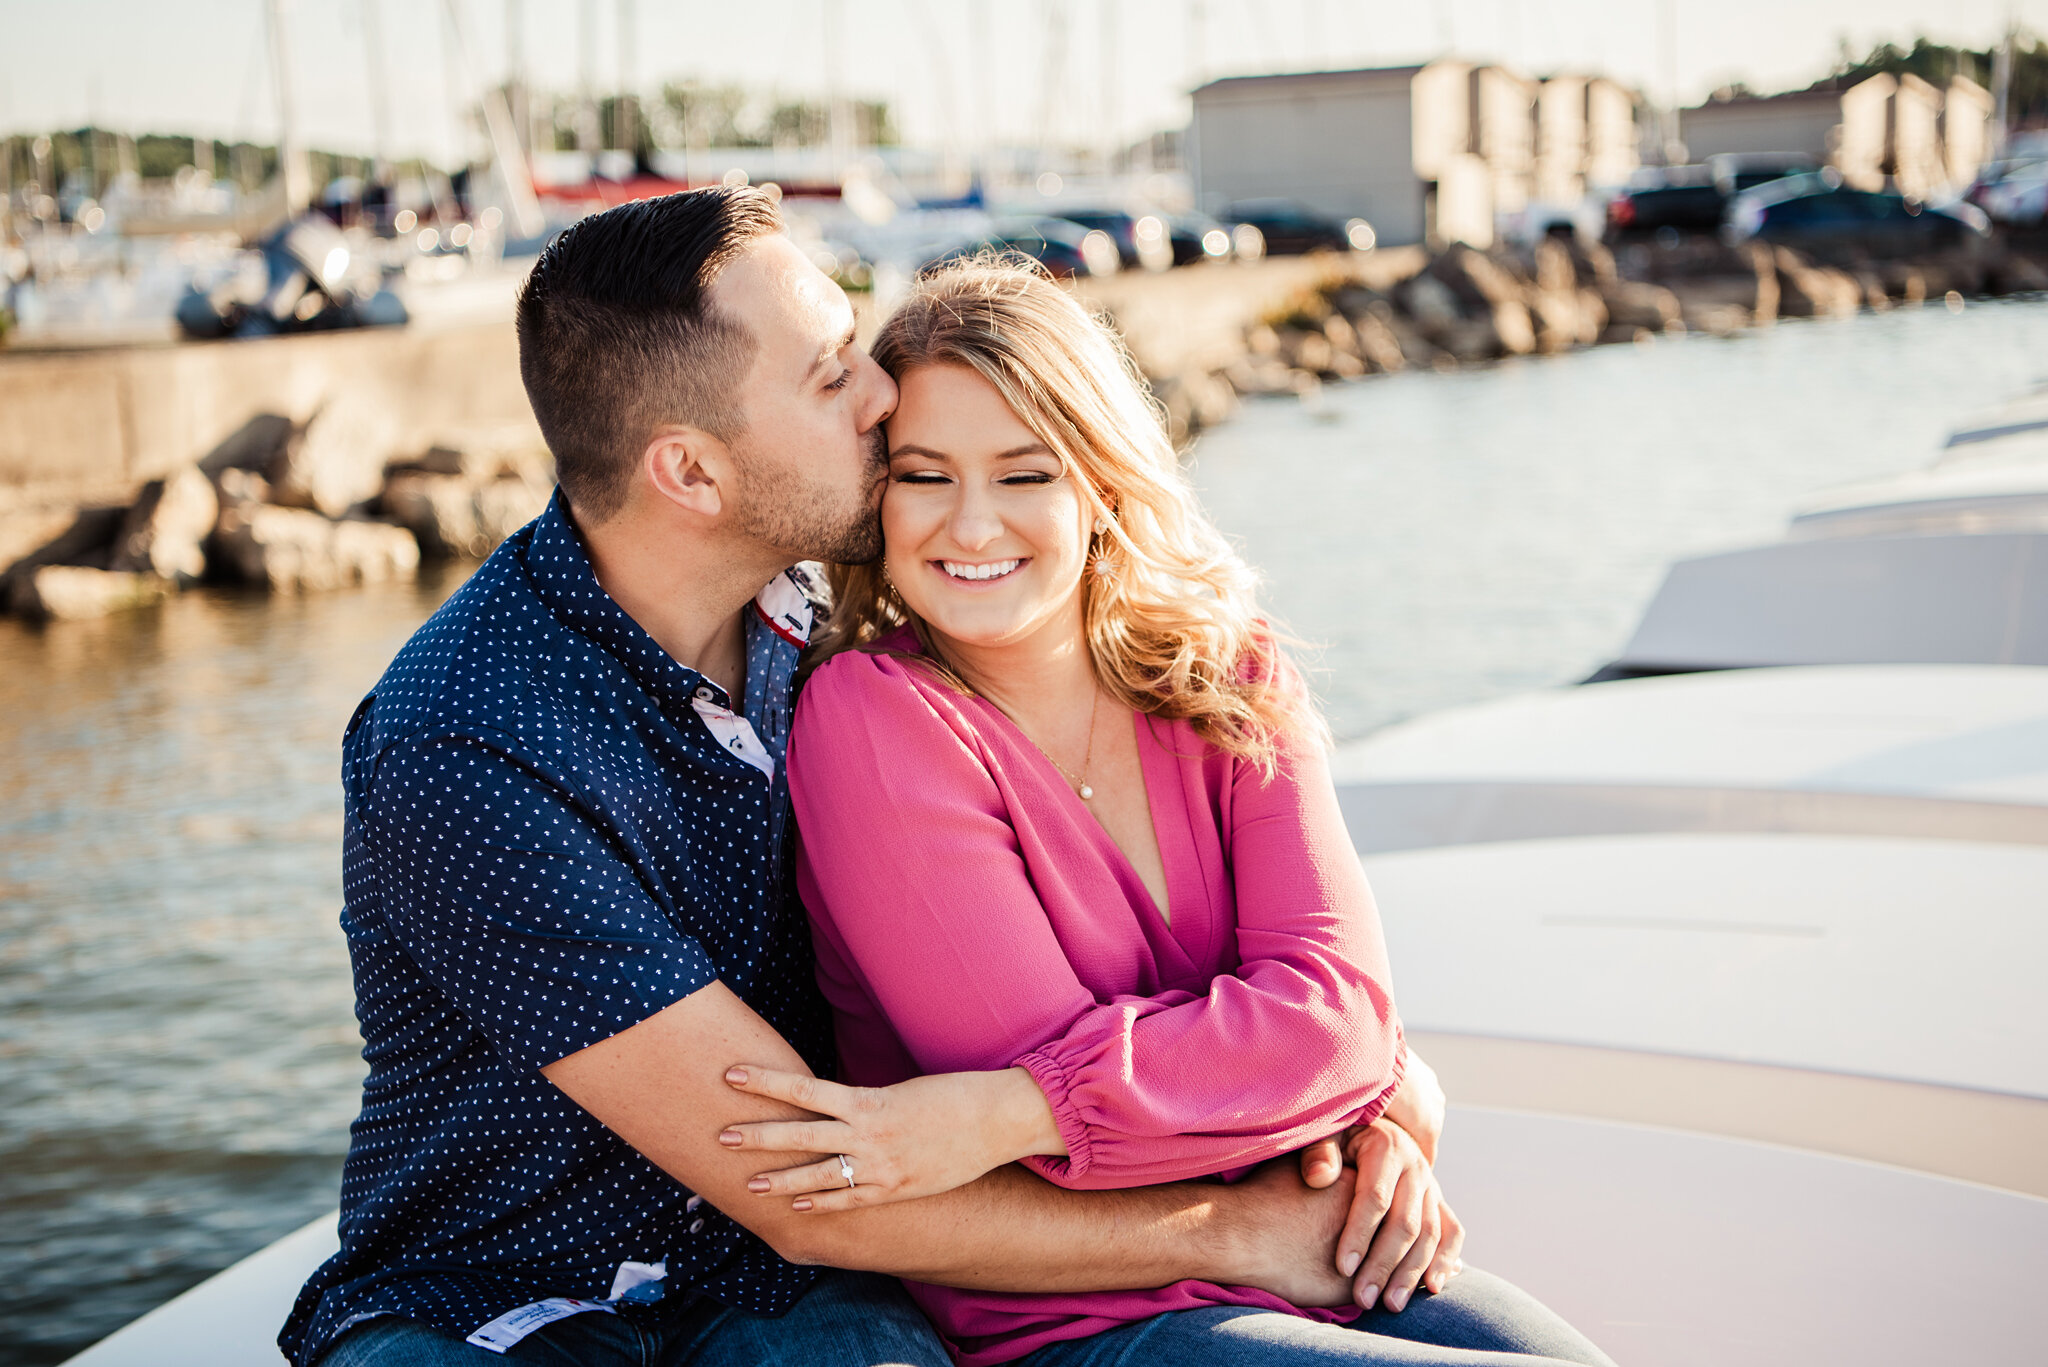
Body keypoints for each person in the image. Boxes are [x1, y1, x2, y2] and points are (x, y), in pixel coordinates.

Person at [282, 188, 1382, 1367]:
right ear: (692, 475)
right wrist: (1246, 1228)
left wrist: (1371, 1094)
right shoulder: (468, 746)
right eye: (828, 375)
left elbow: (1304, 974)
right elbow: (790, 1170)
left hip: (778, 1280)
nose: (878, 393)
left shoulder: (813, 628)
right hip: (500, 1293)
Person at [714, 259, 1618, 1367]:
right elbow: (1085, 1138)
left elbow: (1339, 1012)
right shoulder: (872, 719)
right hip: (1082, 1309)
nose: (970, 523)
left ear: (1099, 483)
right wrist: (1325, 1095)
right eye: (922, 475)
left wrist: (1370, 1096)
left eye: (1023, 472)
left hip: (1316, 1249)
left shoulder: (1226, 664)